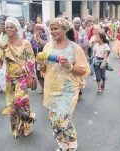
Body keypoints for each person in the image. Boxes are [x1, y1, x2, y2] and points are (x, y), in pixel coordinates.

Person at [37, 18, 89, 151]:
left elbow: (83, 70)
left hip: (68, 90)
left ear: (65, 30)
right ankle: (62, 145)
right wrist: (41, 64)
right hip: (51, 90)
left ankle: (72, 144)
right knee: (54, 122)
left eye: (56, 28)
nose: (53, 31)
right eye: (52, 29)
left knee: (62, 119)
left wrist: (70, 66)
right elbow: (43, 70)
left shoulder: (74, 48)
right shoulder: (47, 47)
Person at [0, 17, 36, 137]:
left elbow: (32, 60)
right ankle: (17, 126)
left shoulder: (25, 43)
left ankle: (27, 125)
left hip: (22, 77)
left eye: (11, 27)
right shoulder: (4, 43)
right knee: (12, 104)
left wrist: (24, 69)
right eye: (7, 27)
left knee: (21, 101)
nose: (8, 29)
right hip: (9, 79)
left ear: (16, 28)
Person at [30, 24, 47, 94]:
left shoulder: (44, 36)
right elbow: (30, 46)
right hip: (36, 59)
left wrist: (38, 37)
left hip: (44, 58)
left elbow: (44, 44)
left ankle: (47, 88)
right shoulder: (33, 38)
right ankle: (43, 88)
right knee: (38, 74)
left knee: (44, 73)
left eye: (38, 29)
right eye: (35, 30)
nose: (36, 31)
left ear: (41, 30)